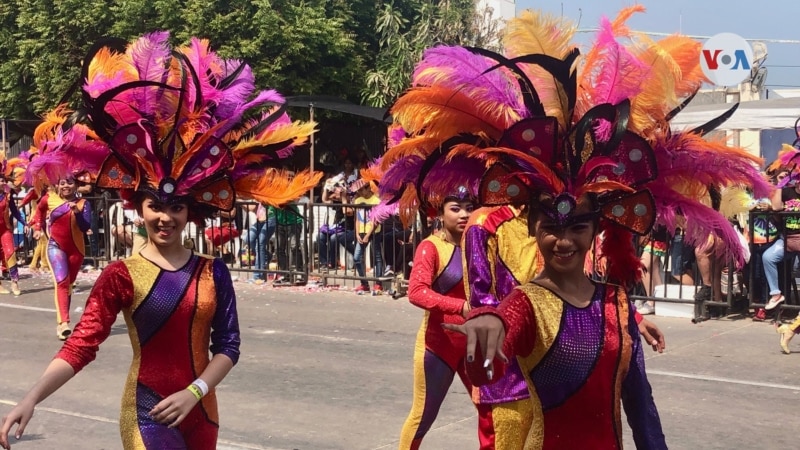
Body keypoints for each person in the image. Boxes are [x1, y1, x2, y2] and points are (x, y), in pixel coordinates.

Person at [0, 32, 319, 450]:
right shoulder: (121, 275)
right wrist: (31, 397)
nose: (165, 217)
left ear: (192, 211)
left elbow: (228, 346)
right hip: (147, 414)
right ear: (138, 206)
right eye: (155, 206)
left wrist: (196, 392)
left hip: (202, 414)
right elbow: (81, 345)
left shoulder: (213, 271)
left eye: (177, 208)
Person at [446, 194, 668, 449]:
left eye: (577, 227)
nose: (564, 241)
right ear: (532, 227)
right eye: (551, 228)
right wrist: (484, 335)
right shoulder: (523, 303)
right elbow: (487, 373)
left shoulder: (615, 301)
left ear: (595, 228)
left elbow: (640, 400)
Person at [398, 193, 476, 449]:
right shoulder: (430, 247)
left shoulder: (481, 246)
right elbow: (416, 292)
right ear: (440, 214)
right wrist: (460, 306)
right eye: (456, 209)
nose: (464, 214)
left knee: (494, 413)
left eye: (469, 208)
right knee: (423, 417)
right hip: (438, 347)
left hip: (475, 345)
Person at [32, 176, 92, 340]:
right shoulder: (49, 199)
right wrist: (38, 227)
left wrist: (77, 212)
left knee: (69, 285)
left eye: (70, 183)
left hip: (77, 250)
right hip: (55, 247)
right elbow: (39, 211)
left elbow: (85, 226)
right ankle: (64, 322)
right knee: (62, 282)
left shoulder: (83, 204)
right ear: (57, 185)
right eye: (63, 183)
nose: (66, 186)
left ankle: (62, 322)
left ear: (76, 185)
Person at [351, 178, 382, 293]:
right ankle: (364, 283)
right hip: (362, 231)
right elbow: (357, 218)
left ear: (368, 188)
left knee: (377, 257)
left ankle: (379, 283)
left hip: (374, 231)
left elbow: (376, 220)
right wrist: (357, 233)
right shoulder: (358, 200)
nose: (359, 192)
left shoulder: (376, 201)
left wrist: (368, 234)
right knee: (357, 257)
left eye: (361, 189)